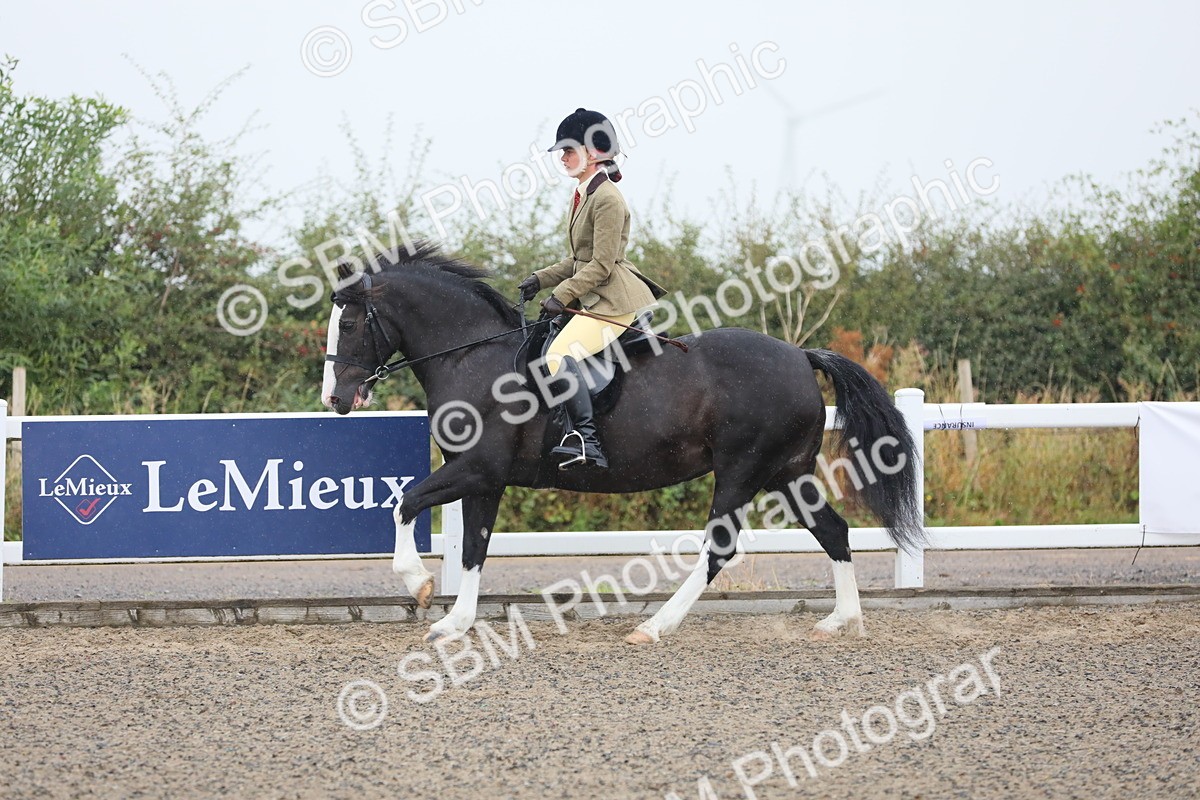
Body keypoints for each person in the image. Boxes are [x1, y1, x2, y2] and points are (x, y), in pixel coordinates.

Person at [518, 108, 667, 471]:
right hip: (596, 295)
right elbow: (577, 261)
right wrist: (540, 279)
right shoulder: (584, 194)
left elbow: (601, 265)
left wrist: (562, 295)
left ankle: (587, 440)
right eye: (562, 152)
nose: (564, 158)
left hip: (614, 301)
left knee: (557, 356)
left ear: (594, 151)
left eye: (569, 150)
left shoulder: (607, 198)